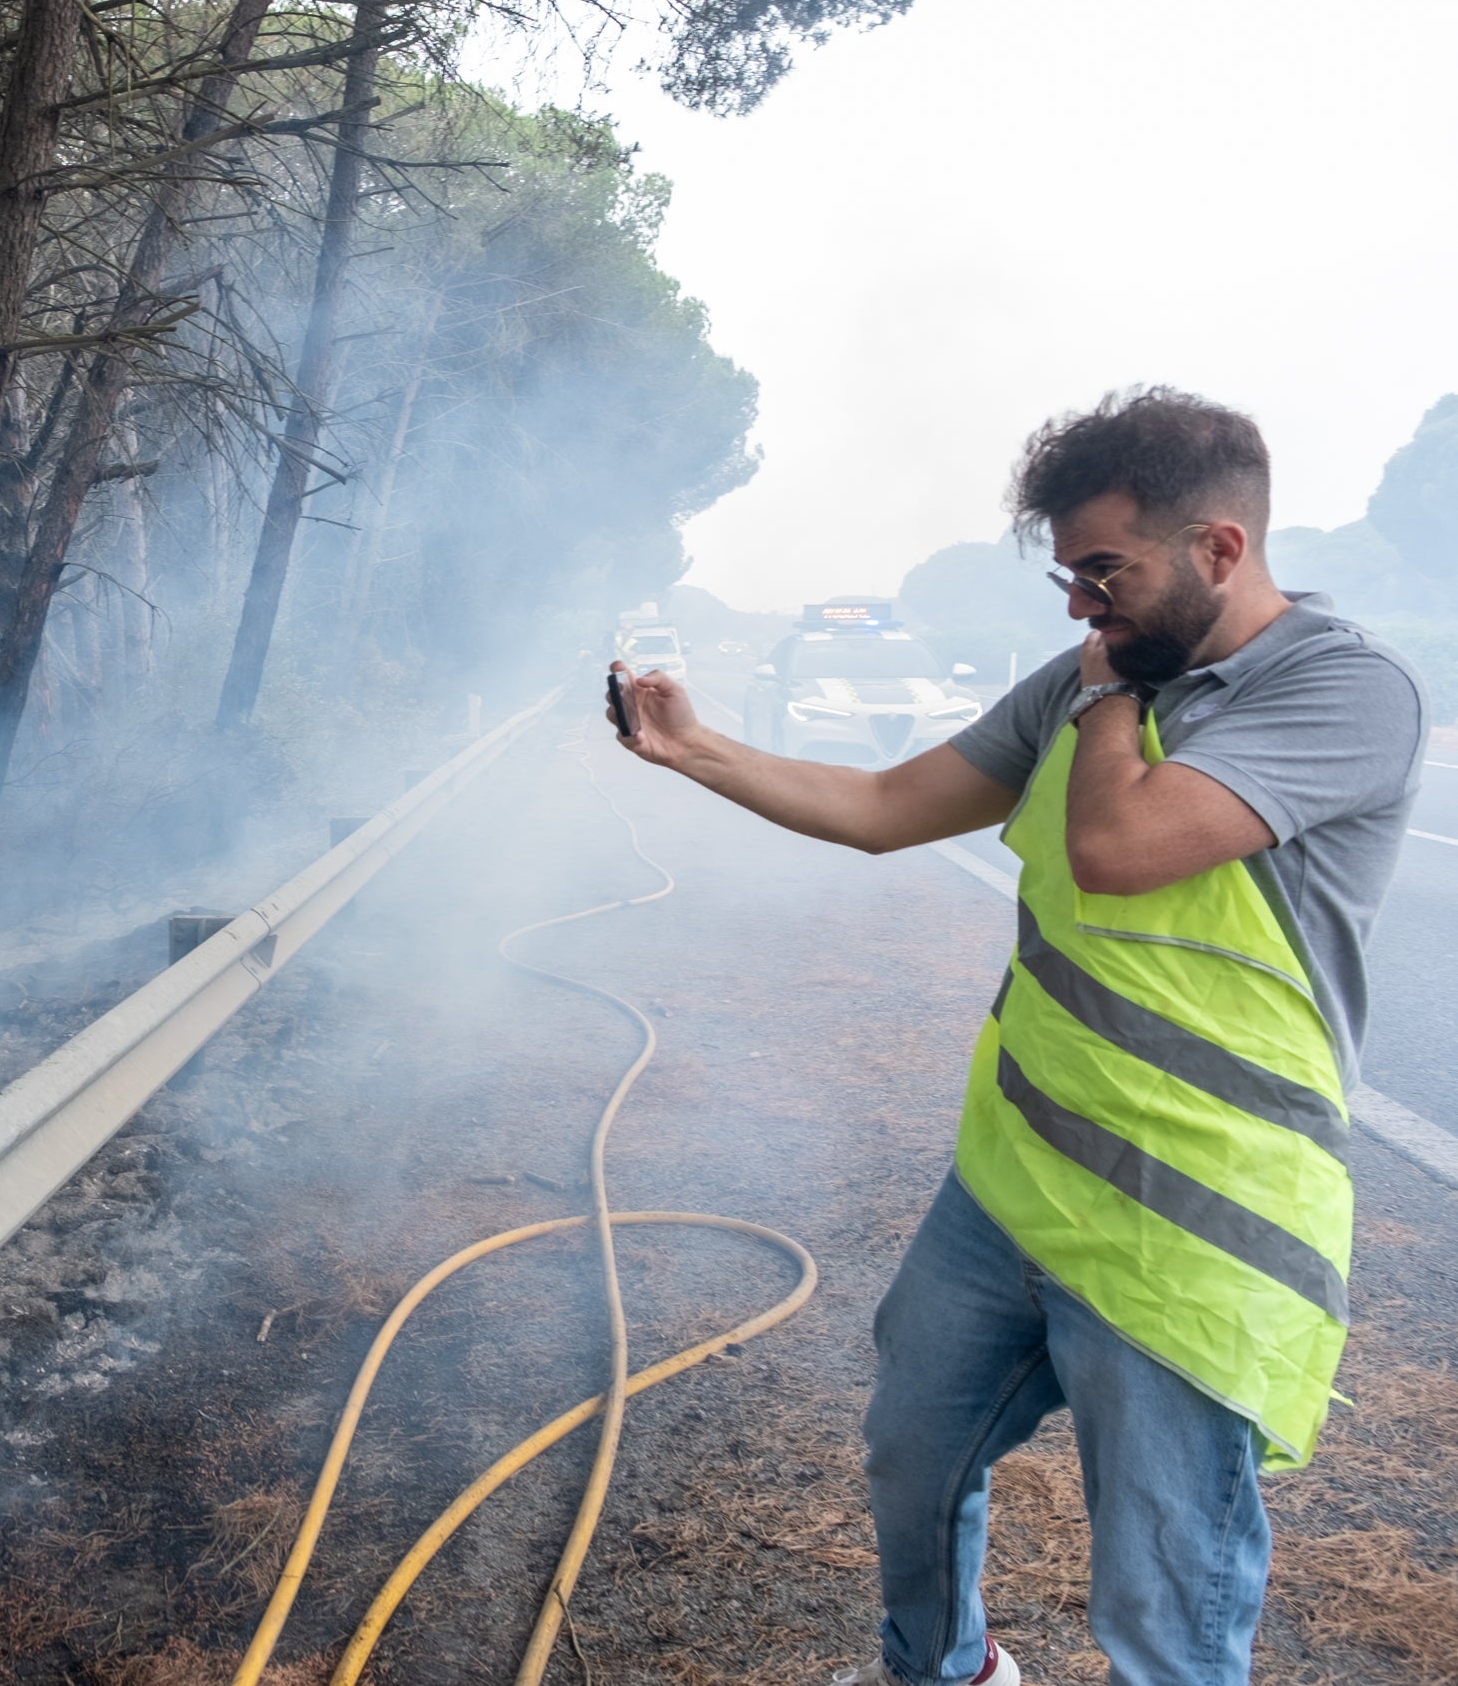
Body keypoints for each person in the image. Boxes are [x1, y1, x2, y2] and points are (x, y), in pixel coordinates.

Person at [610, 389, 1425, 1686]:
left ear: (1220, 547)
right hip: (1016, 1188)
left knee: (1164, 1596)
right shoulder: (1098, 670)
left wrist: (1105, 697)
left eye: (1105, 572)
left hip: (1196, 1223)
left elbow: (1119, 848)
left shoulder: (1343, 687)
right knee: (914, 1455)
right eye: (1067, 578)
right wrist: (695, 747)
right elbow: (886, 803)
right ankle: (945, 1668)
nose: (1080, 607)